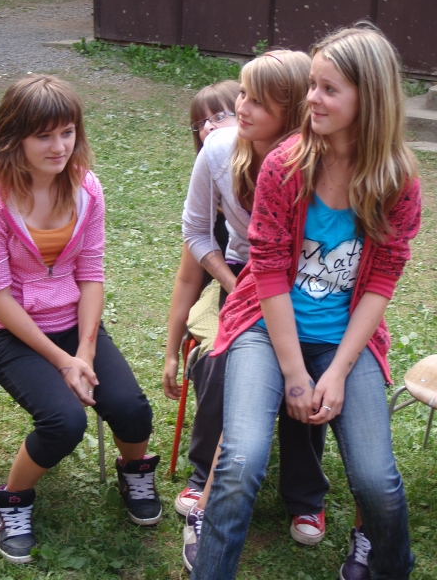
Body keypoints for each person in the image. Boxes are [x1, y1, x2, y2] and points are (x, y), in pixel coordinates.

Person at [190, 23, 421, 580]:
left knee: (376, 480)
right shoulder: (285, 165)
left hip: (345, 340)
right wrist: (296, 374)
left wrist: (337, 372)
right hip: (265, 329)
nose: (311, 98)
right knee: (240, 460)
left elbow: (381, 283)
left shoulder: (397, 181)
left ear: (370, 98)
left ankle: (389, 565)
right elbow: (267, 272)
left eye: (328, 89)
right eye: (312, 84)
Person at [0, 75, 162, 565]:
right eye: (44, 135)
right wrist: (62, 361)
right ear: (14, 138)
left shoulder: (87, 188)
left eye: (67, 132)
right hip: (9, 334)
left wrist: (85, 351)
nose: (59, 147)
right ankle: (12, 498)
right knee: (64, 422)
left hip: (74, 325)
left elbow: (91, 273)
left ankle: (134, 471)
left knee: (132, 407)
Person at [170, 51, 333, 571]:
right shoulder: (218, 151)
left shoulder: (317, 159)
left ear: (293, 109)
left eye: (258, 101)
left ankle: (305, 494)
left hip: (304, 282)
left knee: (304, 368)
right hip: (241, 275)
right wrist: (233, 281)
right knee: (221, 368)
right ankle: (206, 477)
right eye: (242, 93)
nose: (241, 107)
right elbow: (196, 232)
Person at [163, 80, 239, 405]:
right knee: (216, 359)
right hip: (223, 301)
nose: (208, 127)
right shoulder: (205, 203)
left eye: (219, 116)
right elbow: (187, 279)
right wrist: (170, 354)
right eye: (200, 123)